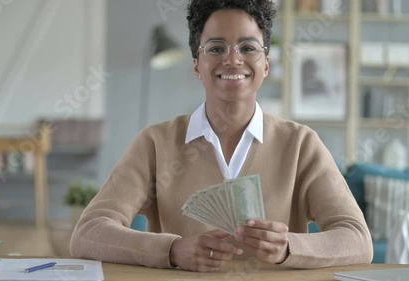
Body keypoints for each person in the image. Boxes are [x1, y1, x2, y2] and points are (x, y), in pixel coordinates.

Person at [70, 0, 373, 272]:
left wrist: (290, 248)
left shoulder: (301, 144)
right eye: (216, 48)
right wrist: (172, 250)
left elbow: (358, 239)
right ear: (197, 66)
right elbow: (88, 232)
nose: (232, 59)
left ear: (265, 65)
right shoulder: (155, 143)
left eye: (248, 47)